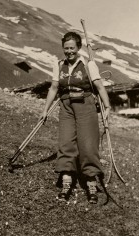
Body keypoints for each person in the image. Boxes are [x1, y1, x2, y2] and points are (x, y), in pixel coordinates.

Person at [40, 31, 110, 204]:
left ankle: (91, 183)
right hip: (66, 107)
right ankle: (66, 182)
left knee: (87, 145)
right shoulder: (59, 64)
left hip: (86, 106)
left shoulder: (88, 64)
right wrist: (45, 110)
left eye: (72, 48)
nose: (69, 51)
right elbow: (54, 88)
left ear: (78, 48)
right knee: (66, 143)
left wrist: (107, 106)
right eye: (66, 48)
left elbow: (100, 87)